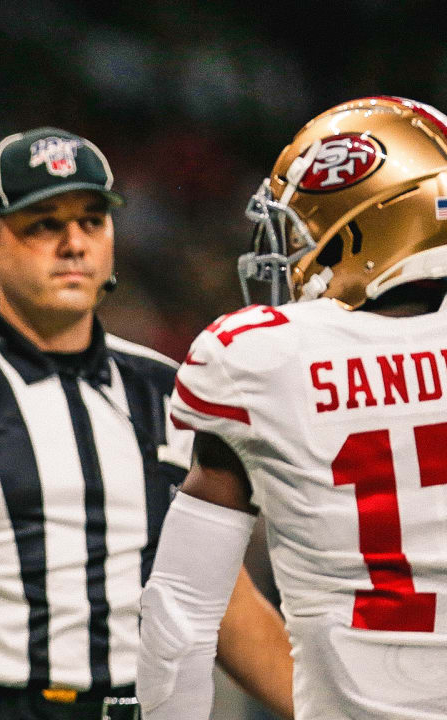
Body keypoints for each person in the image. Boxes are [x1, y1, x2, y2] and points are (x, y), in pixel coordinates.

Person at [0, 128, 296, 720]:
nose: (74, 243)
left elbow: (220, 600)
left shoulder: (170, 390)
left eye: (92, 220)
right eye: (44, 224)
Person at [137, 96, 447, 720]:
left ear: (365, 227)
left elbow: (180, 613)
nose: (296, 254)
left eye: (305, 232)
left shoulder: (260, 360)